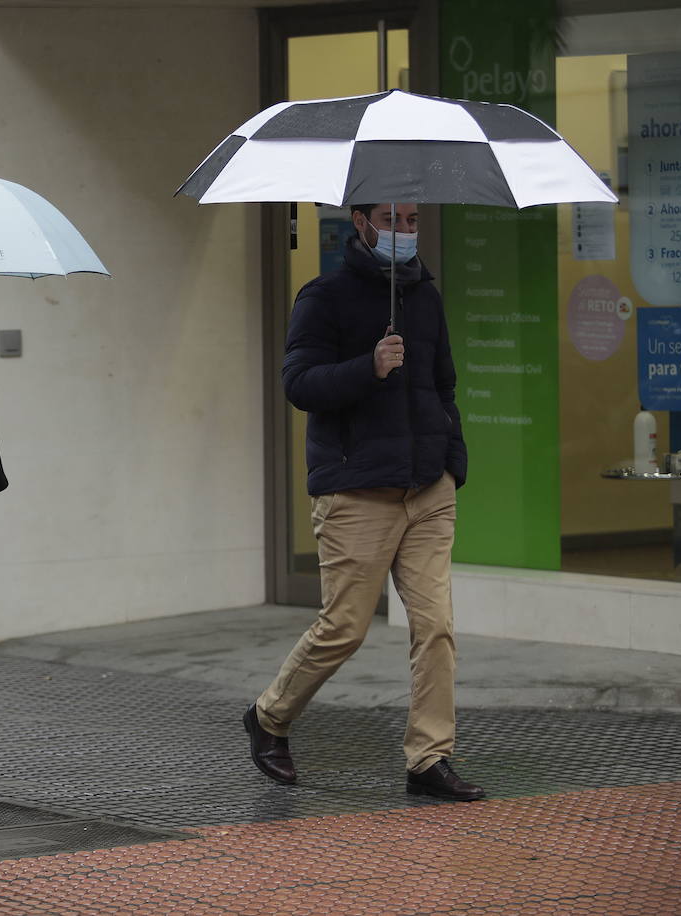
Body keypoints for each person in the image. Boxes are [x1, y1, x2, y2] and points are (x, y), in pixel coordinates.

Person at [243, 203, 485, 802]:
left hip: (427, 489)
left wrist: (451, 459)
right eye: (391, 219)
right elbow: (298, 383)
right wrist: (368, 366)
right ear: (359, 221)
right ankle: (269, 717)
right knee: (344, 628)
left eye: (412, 220)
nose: (405, 231)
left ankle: (429, 758)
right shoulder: (323, 296)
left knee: (436, 627)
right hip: (356, 490)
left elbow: (443, 383)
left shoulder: (426, 296)